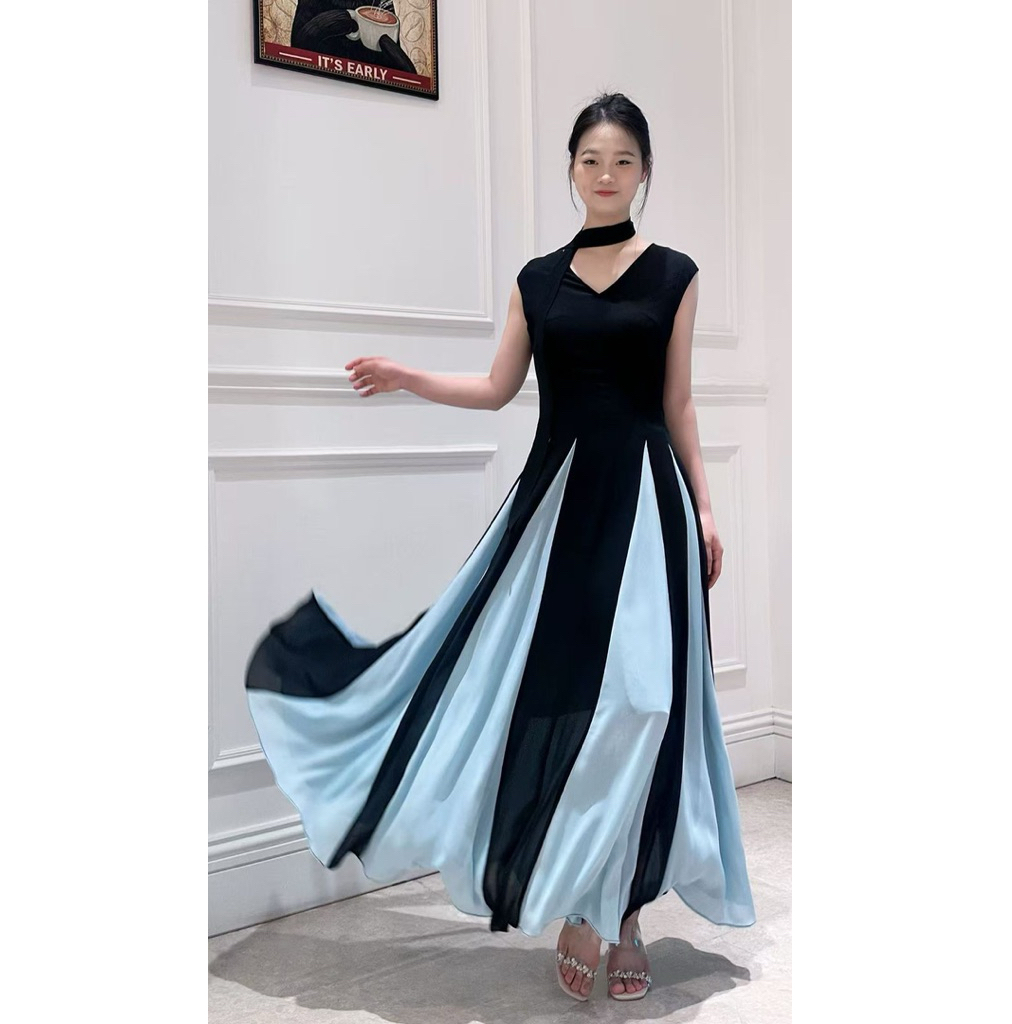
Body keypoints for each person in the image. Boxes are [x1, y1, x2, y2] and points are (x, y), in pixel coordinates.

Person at [245, 91, 756, 1004]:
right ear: (571, 171)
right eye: (591, 160)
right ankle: (588, 907)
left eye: (623, 161)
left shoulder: (675, 275)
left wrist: (707, 509)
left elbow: (677, 402)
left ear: (645, 172)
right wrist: (406, 376)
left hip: (649, 509)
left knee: (646, 705)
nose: (606, 175)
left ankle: (623, 907)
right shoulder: (537, 280)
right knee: (565, 702)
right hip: (560, 512)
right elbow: (494, 387)